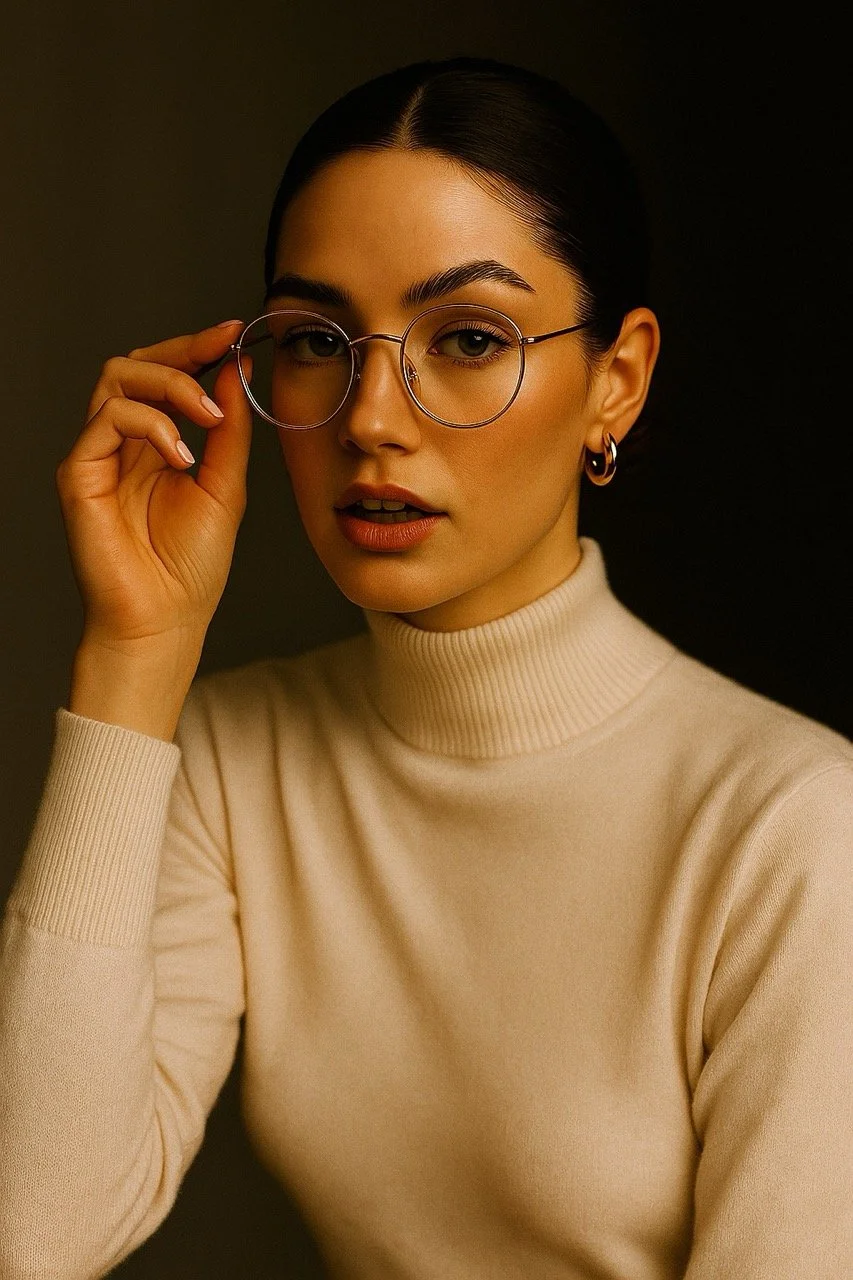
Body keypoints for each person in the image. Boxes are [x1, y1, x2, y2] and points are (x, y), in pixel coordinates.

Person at [1, 54, 851, 1280]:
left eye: (464, 337)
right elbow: (38, 1232)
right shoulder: (239, 762)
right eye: (316, 340)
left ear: (617, 379)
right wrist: (135, 653)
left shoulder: (786, 824)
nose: (372, 417)